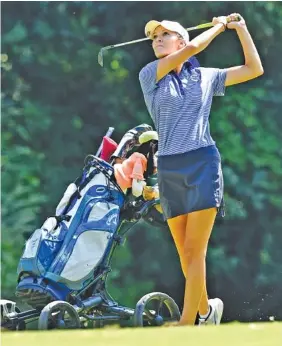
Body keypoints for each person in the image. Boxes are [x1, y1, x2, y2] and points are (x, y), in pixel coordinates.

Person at [139, 14, 263, 326]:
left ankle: (187, 322)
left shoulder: (206, 77)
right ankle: (207, 311)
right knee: (184, 254)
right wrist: (219, 27)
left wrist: (241, 29)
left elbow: (254, 69)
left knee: (196, 250)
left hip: (202, 163)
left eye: (165, 35)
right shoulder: (149, 74)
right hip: (168, 168)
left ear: (179, 39)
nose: (157, 40)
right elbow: (193, 48)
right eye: (154, 37)